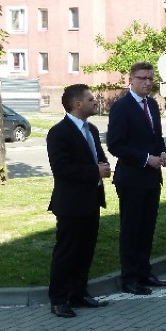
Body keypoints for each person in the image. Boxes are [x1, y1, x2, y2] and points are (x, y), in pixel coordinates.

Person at [46, 84, 111, 317]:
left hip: (92, 200)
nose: (96, 102)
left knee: (86, 250)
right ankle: (59, 299)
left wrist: (103, 167)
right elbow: (62, 168)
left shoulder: (92, 129)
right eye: (91, 99)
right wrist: (95, 171)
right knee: (67, 252)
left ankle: (79, 293)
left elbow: (99, 157)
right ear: (77, 104)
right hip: (71, 204)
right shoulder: (59, 132)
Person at [106, 62, 166, 296]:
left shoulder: (152, 105)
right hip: (132, 178)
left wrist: (162, 152)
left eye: (150, 78)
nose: (146, 82)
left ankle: (145, 271)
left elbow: (156, 135)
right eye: (142, 78)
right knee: (132, 229)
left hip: (152, 178)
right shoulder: (122, 107)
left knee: (147, 228)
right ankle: (130, 277)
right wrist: (145, 159)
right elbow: (115, 144)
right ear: (130, 80)